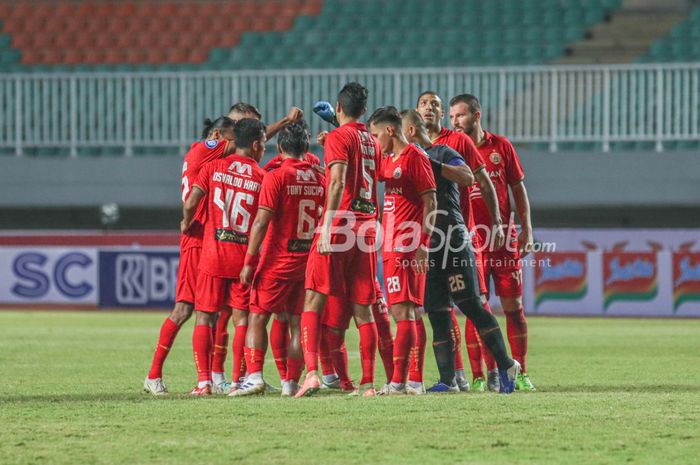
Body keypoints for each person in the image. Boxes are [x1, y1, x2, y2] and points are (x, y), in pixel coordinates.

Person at [401, 109, 521, 394]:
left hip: (453, 239)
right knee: (437, 312)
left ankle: (506, 365)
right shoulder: (405, 161)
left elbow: (468, 177)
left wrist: (428, 161)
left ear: (410, 132)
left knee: (471, 305)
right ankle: (447, 380)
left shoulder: (443, 152)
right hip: (429, 244)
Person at [296, 82, 382, 398]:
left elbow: (336, 182)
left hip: (341, 224)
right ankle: (369, 385)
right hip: (367, 227)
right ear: (364, 111)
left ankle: (313, 374)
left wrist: (326, 225)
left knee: (313, 299)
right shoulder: (372, 140)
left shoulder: (338, 137)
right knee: (363, 309)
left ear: (339, 107)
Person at [144, 116, 235, 396]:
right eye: (231, 139)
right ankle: (155, 375)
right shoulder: (205, 148)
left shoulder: (207, 158)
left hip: (205, 238)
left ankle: (208, 379)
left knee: (212, 310)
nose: (234, 145)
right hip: (195, 240)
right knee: (187, 309)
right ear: (217, 135)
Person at [449, 94, 535, 391]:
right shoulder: (451, 149)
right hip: (470, 242)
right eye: (451, 117)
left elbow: (518, 188)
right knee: (477, 308)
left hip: (503, 239)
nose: (455, 122)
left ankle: (520, 370)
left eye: (459, 115)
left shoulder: (501, 147)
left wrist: (527, 229)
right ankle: (480, 375)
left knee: (514, 305)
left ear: (476, 115)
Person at [233, 123, 326, 397]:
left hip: (277, 261)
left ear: (281, 148)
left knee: (258, 317)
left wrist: (249, 261)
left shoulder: (275, 177)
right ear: (306, 149)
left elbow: (261, 222)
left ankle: (255, 377)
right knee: (297, 322)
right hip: (305, 261)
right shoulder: (320, 178)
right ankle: (290, 383)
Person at [180, 118, 266, 396]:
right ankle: (237, 381)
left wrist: (186, 221)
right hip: (242, 260)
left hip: (213, 256)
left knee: (204, 318)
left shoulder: (212, 168)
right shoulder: (261, 177)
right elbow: (261, 223)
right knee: (241, 319)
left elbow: (191, 202)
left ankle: (204, 382)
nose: (264, 149)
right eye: (264, 143)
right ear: (254, 145)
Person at [369, 106, 437, 395]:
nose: (374, 142)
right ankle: (414, 381)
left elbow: (431, 201)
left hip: (406, 246)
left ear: (389, 131)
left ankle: (398, 381)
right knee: (410, 313)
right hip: (394, 244)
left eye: (375, 135)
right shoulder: (390, 159)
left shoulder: (415, 157)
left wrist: (423, 244)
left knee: (403, 312)